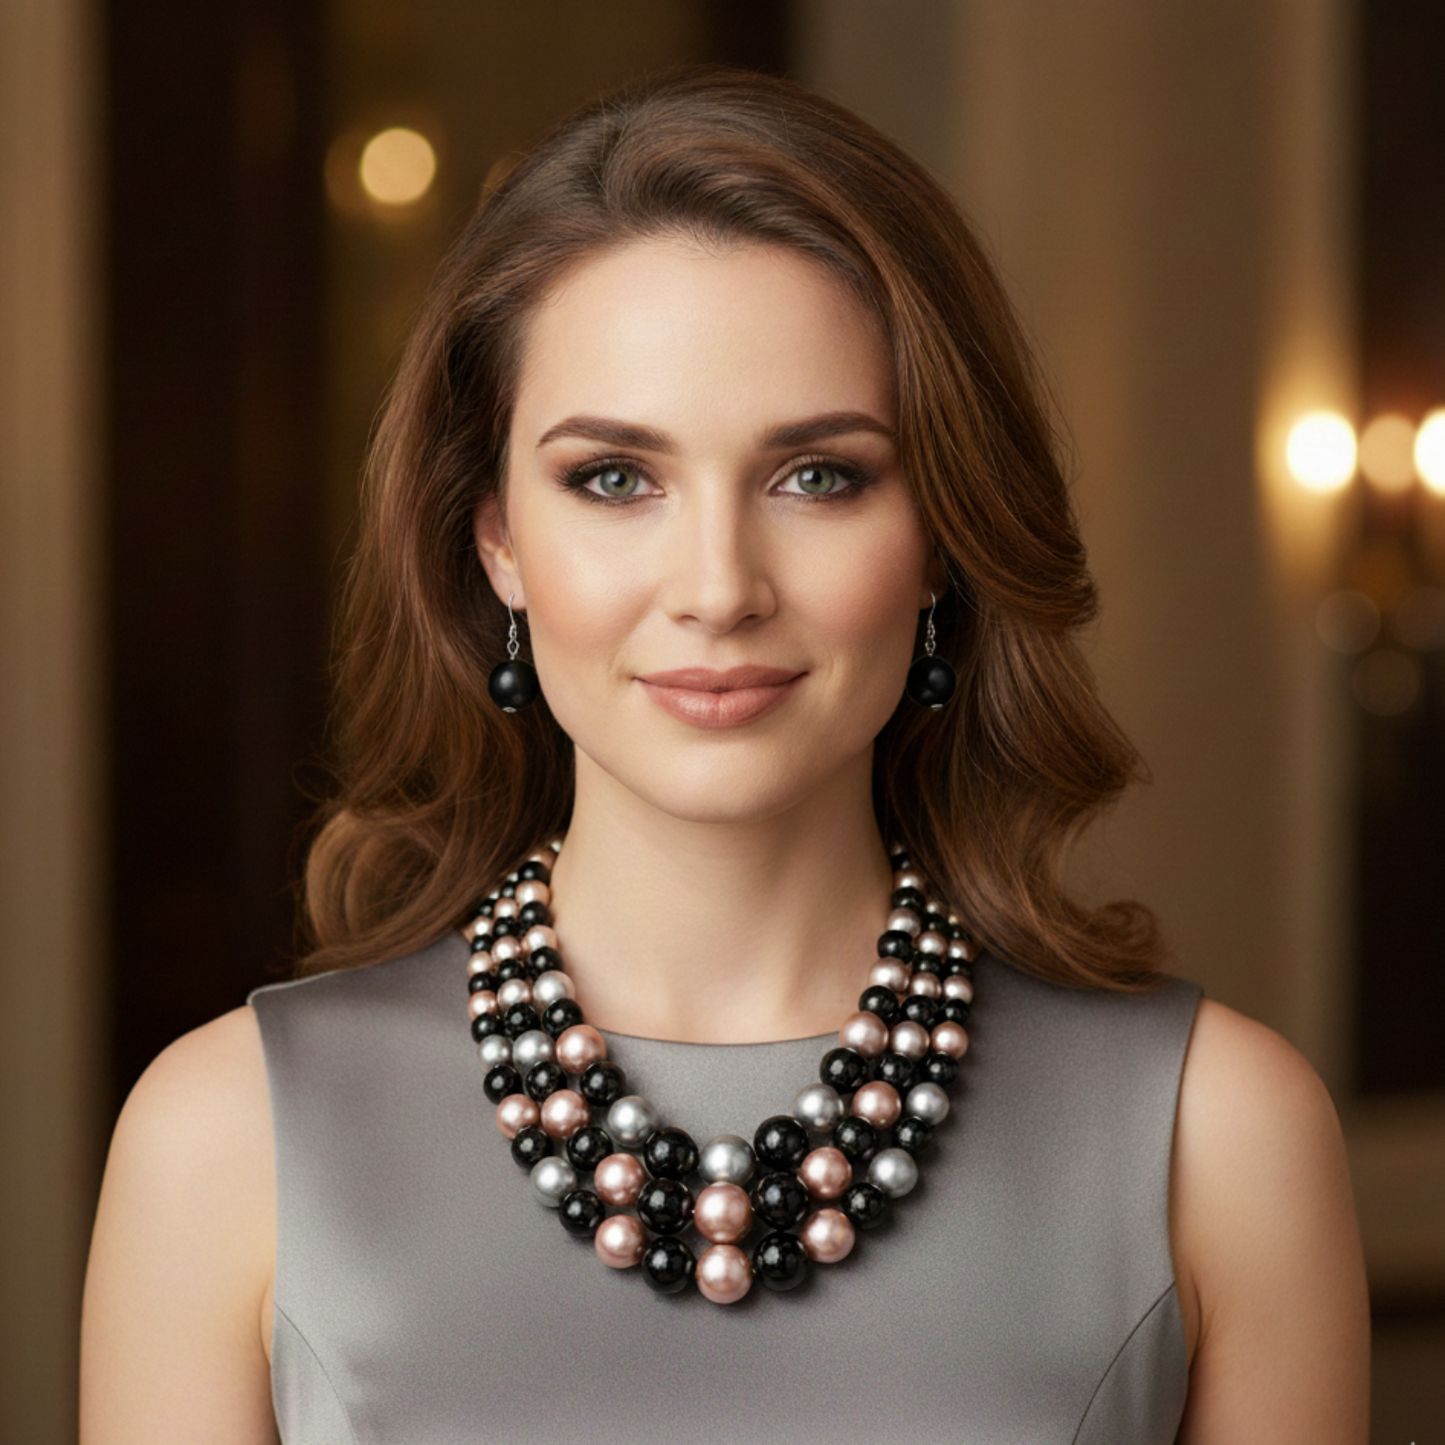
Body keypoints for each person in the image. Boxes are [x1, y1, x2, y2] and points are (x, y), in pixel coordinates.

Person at [80, 68, 1369, 1443]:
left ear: (941, 535)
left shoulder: (1218, 1138)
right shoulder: (226, 1140)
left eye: (818, 476)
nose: (717, 587)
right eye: (614, 479)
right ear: (495, 539)